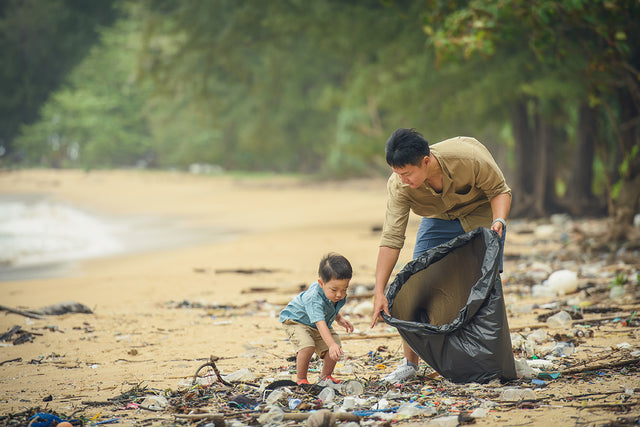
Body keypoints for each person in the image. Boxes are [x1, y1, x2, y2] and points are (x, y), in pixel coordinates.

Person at [370, 128, 511, 383]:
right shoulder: (399, 186)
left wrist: (499, 220)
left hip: (480, 212)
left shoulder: (468, 157)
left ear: (426, 161)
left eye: (407, 173)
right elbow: (392, 238)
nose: (402, 180)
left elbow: (499, 190)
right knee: (414, 284)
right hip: (437, 218)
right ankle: (410, 365)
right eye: (397, 173)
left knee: (486, 285)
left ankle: (493, 360)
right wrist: (379, 290)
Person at [280, 253, 354, 385]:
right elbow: (320, 323)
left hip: (316, 323)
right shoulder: (314, 298)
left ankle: (325, 376)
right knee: (307, 346)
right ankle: (301, 379)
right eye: (334, 289)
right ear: (321, 283)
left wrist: (339, 319)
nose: (339, 294)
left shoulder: (335, 294)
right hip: (296, 321)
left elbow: (329, 307)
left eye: (344, 289)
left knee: (336, 344)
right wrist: (330, 345)